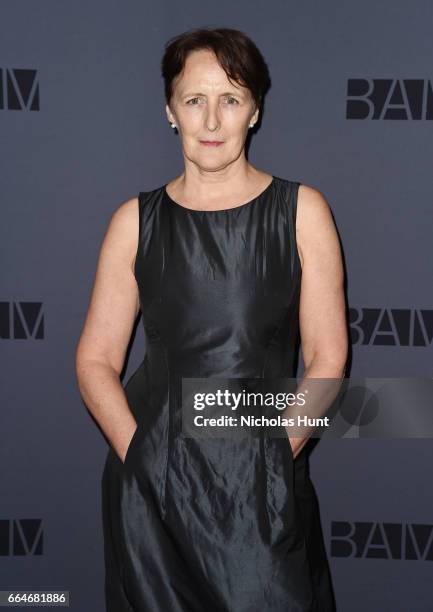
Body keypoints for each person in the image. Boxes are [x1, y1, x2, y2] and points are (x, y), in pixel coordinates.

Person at [75, 27, 348, 612]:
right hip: (153, 491)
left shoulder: (302, 211)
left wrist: (277, 455)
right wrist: (141, 457)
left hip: (264, 486)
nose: (212, 121)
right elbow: (96, 360)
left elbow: (329, 359)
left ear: (255, 111)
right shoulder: (135, 221)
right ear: (170, 112)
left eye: (231, 99)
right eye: (194, 101)